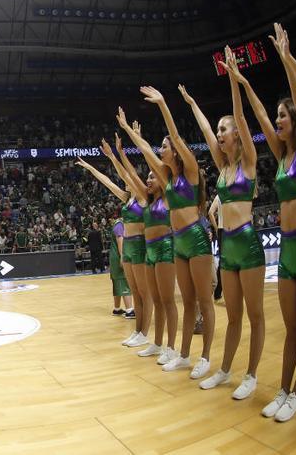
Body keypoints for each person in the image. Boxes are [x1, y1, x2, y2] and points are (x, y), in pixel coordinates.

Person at [249, 25, 296, 423]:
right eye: (277, 115)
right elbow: (260, 115)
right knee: (290, 328)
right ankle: (282, 390)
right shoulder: (279, 158)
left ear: (295, 121)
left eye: (283, 116)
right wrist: (244, 83)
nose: (277, 119)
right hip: (288, 251)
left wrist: (286, 59)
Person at [180, 50, 266, 400]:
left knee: (255, 315)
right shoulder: (224, 167)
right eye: (218, 130)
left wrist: (232, 76)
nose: (218, 134)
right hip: (226, 245)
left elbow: (242, 115)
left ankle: (252, 375)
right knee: (232, 315)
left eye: (223, 130)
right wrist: (191, 104)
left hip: (247, 241)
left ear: (237, 136)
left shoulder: (248, 164)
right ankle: (226, 370)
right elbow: (202, 128)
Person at [119, 98, 215, 380]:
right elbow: (146, 151)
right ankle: (183, 355)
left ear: (176, 150)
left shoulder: (192, 173)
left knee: (203, 302)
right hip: (179, 244)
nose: (161, 150)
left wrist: (163, 104)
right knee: (186, 302)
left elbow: (172, 135)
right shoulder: (167, 178)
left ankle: (206, 357)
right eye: (161, 147)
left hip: (195, 239)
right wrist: (128, 130)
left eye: (165, 147)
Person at [110, 131, 179, 365]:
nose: (148, 180)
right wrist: (119, 153)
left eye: (152, 177)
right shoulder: (147, 200)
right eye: (147, 178)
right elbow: (129, 175)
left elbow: (151, 159)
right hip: (149, 251)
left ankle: (171, 347)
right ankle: (157, 343)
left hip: (166, 248)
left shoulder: (169, 196)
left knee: (167, 301)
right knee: (158, 301)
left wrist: (137, 138)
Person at [76, 155, 149, 345]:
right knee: (134, 292)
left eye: (127, 179)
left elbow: (127, 171)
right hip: (129, 248)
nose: (124, 181)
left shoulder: (142, 197)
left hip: (140, 246)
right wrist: (91, 168)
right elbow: (107, 181)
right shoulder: (127, 198)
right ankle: (138, 331)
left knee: (142, 293)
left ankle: (145, 332)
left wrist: (115, 155)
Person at [108, 217, 133, 316]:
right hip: (118, 256)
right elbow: (120, 241)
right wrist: (123, 257)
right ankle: (129, 310)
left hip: (114, 257)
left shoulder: (117, 224)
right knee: (124, 281)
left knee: (117, 282)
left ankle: (117, 308)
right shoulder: (120, 225)